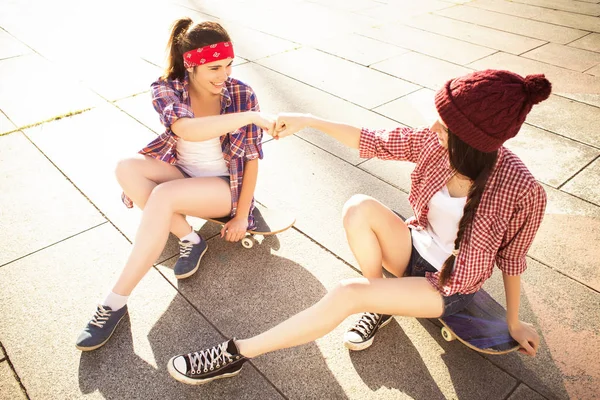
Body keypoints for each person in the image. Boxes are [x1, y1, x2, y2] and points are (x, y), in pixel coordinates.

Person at [166, 69, 551, 385]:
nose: (435, 125)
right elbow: (374, 140)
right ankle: (381, 300)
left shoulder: (521, 190)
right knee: (358, 207)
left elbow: (513, 260)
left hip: (449, 285)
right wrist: (310, 121)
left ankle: (237, 353)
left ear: (475, 142)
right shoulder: (436, 143)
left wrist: (514, 323)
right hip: (412, 247)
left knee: (348, 294)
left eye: (447, 124)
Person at [75, 18, 274, 351]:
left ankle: (113, 302)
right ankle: (189, 238)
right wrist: (251, 117)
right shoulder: (167, 88)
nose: (223, 75)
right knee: (126, 169)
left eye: (228, 65)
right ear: (191, 64)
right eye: (214, 67)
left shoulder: (241, 93)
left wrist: (241, 216)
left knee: (163, 196)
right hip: (183, 174)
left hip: (225, 187)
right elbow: (186, 131)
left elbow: (251, 158)